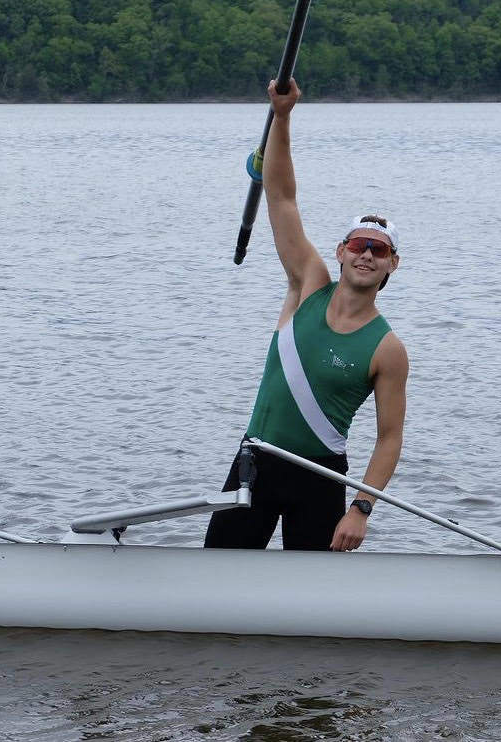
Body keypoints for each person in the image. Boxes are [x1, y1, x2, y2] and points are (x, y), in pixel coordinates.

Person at [205, 78, 408, 552]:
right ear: (341, 251)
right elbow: (281, 197)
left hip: (320, 476)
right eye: (358, 244)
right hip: (257, 459)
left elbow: (389, 440)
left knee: (316, 607)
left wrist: (361, 509)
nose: (366, 255)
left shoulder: (388, 349)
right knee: (218, 575)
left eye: (379, 250)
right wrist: (283, 116)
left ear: (391, 264)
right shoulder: (308, 283)